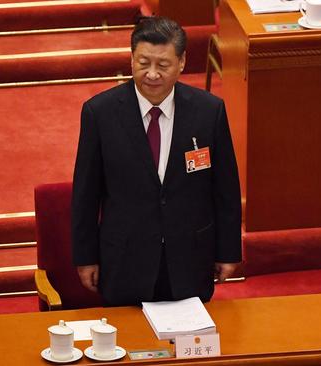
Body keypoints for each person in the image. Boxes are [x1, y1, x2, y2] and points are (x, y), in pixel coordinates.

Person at [71, 16, 242, 306]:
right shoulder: (100, 113)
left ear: (182, 62)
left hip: (189, 258)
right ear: (131, 59)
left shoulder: (208, 111)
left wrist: (228, 251)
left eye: (162, 65)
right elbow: (86, 194)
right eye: (143, 63)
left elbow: (225, 188)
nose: (151, 74)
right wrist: (86, 257)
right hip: (125, 259)